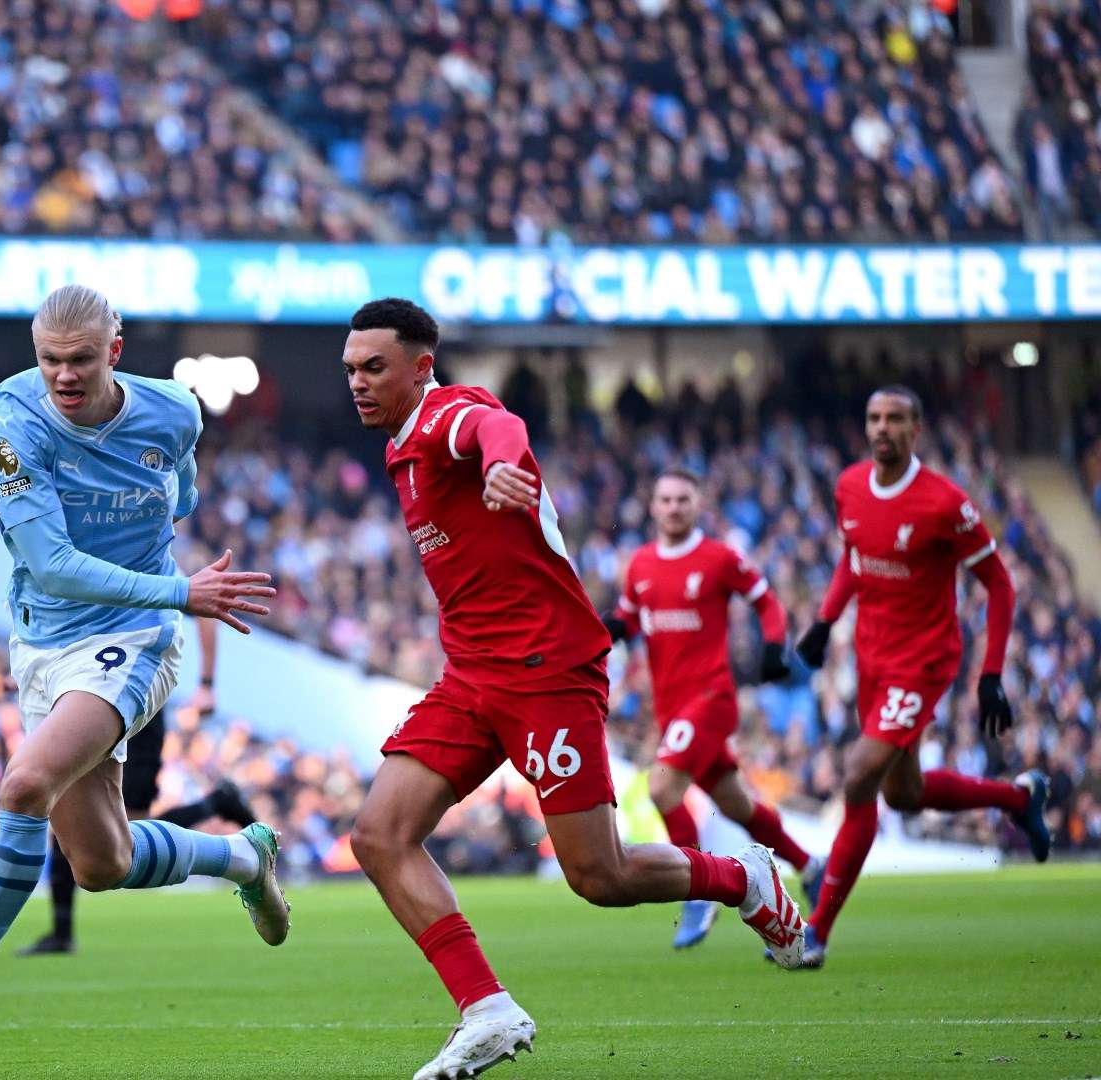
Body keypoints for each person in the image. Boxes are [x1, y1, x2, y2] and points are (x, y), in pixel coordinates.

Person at [339, 298, 807, 1080]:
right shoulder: (398, 449)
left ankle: (743, 876)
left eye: (373, 367)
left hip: (546, 672)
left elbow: (499, 428)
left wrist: (499, 467)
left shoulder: (448, 415)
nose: (357, 381)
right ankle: (487, 1009)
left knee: (601, 876)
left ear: (421, 366)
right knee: (378, 835)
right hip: (472, 676)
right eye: (350, 368)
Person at [0, 284, 287, 1052]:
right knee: (100, 862)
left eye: (80, 359)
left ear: (114, 352)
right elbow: (51, 566)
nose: (64, 376)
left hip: (136, 633)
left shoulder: (174, 409)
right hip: (45, 641)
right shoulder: (10, 425)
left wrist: (172, 596)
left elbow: (180, 489)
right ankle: (241, 856)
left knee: (24, 784)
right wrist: (183, 587)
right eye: (50, 360)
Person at [792, 386, 1051, 967]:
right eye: (874, 418)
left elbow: (1001, 585)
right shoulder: (850, 486)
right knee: (901, 794)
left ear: (917, 429)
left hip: (924, 662)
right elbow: (852, 558)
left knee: (858, 778)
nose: (882, 428)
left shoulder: (944, 503)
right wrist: (824, 621)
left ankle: (817, 931)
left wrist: (991, 675)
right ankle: (1018, 796)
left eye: (895, 419)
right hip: (871, 659)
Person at [605, 467, 825, 949]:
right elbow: (627, 618)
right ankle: (811, 865)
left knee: (661, 789)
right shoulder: (640, 564)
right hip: (673, 709)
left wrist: (772, 646)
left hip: (711, 699)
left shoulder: (719, 557)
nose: (674, 507)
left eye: (683, 499)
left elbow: (767, 602)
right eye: (665, 500)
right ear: (653, 507)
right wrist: (608, 632)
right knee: (737, 804)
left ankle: (698, 891)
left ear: (697, 504)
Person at [19, 616, 257, 956]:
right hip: (82, 696)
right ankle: (61, 932)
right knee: (66, 813)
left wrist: (206, 683)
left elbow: (202, 605)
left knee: (127, 834)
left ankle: (218, 806)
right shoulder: (77, 572)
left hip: (134, 699)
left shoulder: (143, 564)